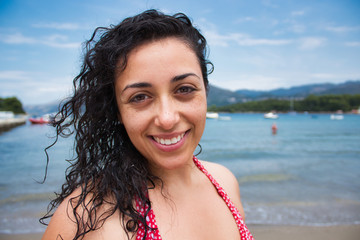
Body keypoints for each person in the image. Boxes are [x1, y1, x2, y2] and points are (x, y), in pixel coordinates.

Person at [41, 9, 254, 240]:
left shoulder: (225, 182)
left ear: (205, 91)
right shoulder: (85, 219)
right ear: (118, 111)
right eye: (140, 97)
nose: (167, 118)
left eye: (184, 89)